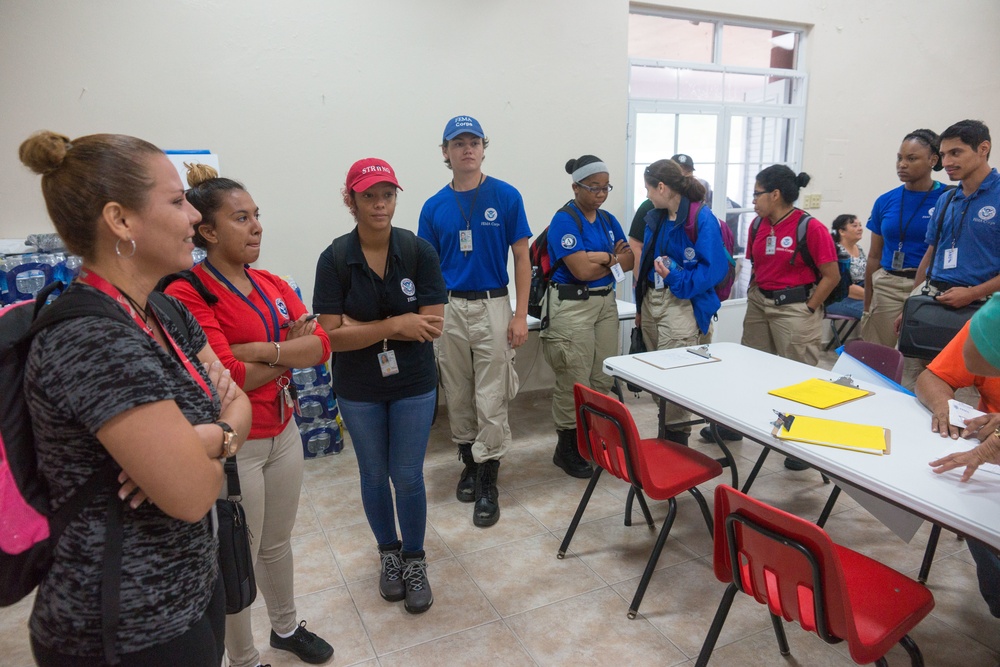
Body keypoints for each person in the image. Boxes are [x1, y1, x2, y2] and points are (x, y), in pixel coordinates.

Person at [18, 131, 252, 666]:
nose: (195, 215)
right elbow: (192, 494)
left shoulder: (165, 313)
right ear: (120, 221)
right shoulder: (93, 338)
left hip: (190, 589)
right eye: (175, 201)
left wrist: (208, 438)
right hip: (124, 626)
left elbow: (237, 400)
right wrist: (216, 444)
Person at [164, 165, 334, 667]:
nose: (257, 226)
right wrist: (286, 348)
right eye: (241, 218)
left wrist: (264, 349)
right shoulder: (188, 293)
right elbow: (229, 375)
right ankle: (244, 657)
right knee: (237, 556)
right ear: (208, 231)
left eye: (257, 215)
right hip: (238, 443)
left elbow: (320, 345)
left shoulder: (270, 282)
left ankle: (285, 627)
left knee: (277, 542)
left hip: (284, 430)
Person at [314, 158, 446, 614]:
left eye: (387, 194)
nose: (379, 204)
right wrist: (396, 323)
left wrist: (362, 327)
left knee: (407, 475)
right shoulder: (334, 258)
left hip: (413, 381)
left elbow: (432, 326)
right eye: (368, 195)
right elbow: (329, 335)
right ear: (350, 200)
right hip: (357, 385)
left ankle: (413, 560)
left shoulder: (417, 251)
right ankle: (388, 555)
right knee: (373, 474)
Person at [418, 115, 531, 528]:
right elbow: (426, 270)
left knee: (492, 395)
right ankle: (468, 460)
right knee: (459, 392)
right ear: (445, 153)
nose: (467, 149)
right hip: (448, 309)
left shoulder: (506, 196)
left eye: (473, 142)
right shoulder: (433, 207)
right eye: (457, 143)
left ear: (484, 148)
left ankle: (488, 479)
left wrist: (520, 314)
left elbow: (523, 258)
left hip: (493, 304)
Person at [540, 155, 634, 476]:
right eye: (593, 187)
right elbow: (579, 270)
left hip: (605, 304)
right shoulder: (565, 221)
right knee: (574, 379)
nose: (600, 193)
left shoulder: (607, 220)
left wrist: (604, 257)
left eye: (605, 187)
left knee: (602, 375)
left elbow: (631, 258)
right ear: (575, 186)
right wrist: (613, 258)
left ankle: (593, 438)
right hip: (572, 306)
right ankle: (566, 448)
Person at [741, 165, 839, 470]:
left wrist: (809, 307)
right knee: (751, 368)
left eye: (757, 193)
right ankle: (740, 424)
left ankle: (798, 442)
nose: (753, 200)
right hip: (760, 305)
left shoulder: (810, 228)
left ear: (775, 194)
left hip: (795, 308)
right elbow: (755, 264)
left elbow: (831, 275)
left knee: (798, 378)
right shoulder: (757, 225)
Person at [897, 120, 1000, 385]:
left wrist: (972, 293)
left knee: (966, 398)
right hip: (934, 300)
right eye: (943, 154)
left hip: (981, 309)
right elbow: (930, 255)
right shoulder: (946, 199)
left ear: (983, 148)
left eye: (956, 153)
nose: (947, 161)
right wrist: (911, 305)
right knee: (915, 384)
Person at [635, 158, 729, 445]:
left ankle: (676, 443)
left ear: (662, 187)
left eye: (649, 189)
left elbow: (713, 270)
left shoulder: (701, 218)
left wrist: (677, 278)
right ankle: (669, 432)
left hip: (683, 303)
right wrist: (641, 305)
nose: (648, 195)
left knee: (674, 376)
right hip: (654, 299)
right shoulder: (657, 215)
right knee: (656, 374)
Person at [918, 322, 1000, 618]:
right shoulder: (992, 319)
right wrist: (945, 408)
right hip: (989, 467)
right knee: (968, 499)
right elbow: (933, 377)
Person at [860, 129, 946, 347]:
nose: (902, 164)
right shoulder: (885, 201)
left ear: (932, 160)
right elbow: (874, 256)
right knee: (881, 356)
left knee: (916, 360)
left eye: (911, 158)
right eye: (899, 158)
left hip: (929, 288)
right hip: (888, 285)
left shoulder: (948, 198)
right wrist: (867, 304)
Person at [824, 214, 866, 321]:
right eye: (854, 226)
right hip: (839, 297)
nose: (860, 228)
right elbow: (844, 287)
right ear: (841, 232)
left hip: (860, 293)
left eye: (860, 225)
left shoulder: (859, 249)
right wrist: (872, 296)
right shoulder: (836, 251)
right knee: (874, 314)